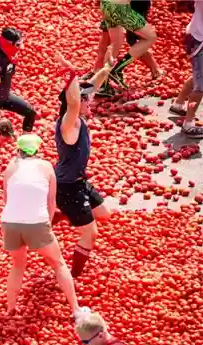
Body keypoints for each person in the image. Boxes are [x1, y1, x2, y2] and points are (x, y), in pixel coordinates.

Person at [1, 134, 89, 318]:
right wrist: (47, 224)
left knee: (17, 265)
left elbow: (6, 200)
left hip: (9, 222)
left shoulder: (10, 167)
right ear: (38, 151)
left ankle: (10, 309)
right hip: (36, 222)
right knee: (58, 263)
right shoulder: (47, 167)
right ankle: (75, 309)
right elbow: (51, 201)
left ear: (18, 150)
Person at [54, 53, 113, 278]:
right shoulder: (69, 125)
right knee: (91, 233)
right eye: (88, 100)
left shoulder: (80, 116)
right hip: (68, 187)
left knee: (104, 214)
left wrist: (107, 67)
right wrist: (71, 76)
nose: (92, 102)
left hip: (79, 181)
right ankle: (75, 276)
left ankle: (61, 213)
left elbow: (92, 87)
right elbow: (74, 101)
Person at [0, 28, 37, 135]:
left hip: (4, 96)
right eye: (17, 45)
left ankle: (24, 145)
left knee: (30, 113)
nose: (20, 48)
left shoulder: (9, 55)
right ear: (8, 44)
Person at [99, 0, 157, 89]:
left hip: (108, 4)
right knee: (150, 37)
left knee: (115, 44)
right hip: (120, 8)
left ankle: (104, 85)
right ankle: (117, 69)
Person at [169, 0, 203, 138]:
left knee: (199, 75)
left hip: (195, 36)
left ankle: (178, 104)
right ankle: (188, 124)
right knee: (201, 85)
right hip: (199, 40)